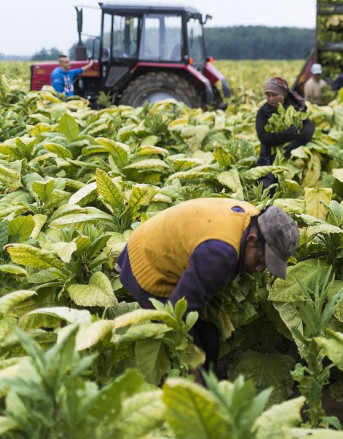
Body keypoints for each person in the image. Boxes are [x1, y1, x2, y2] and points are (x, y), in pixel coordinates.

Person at [117, 199, 300, 368]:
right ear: (252, 240)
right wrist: (194, 375)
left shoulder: (253, 218)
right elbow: (177, 314)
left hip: (154, 240)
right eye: (261, 260)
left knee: (210, 340)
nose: (260, 269)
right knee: (187, 351)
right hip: (149, 266)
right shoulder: (220, 254)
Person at [256, 76, 315, 165]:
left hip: (296, 151)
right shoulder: (262, 112)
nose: (271, 99)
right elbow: (262, 136)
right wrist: (282, 136)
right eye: (268, 95)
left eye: (275, 95)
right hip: (269, 154)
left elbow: (308, 126)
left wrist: (298, 142)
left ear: (283, 94)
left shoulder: (295, 107)